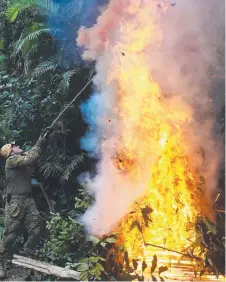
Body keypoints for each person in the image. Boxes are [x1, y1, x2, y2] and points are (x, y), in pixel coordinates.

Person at [0, 133, 49, 279]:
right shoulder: (12, 161)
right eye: (14, 146)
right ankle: (1, 263)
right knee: (10, 235)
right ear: (10, 152)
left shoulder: (20, 158)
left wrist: (43, 139)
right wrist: (40, 142)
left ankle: (28, 259)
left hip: (28, 200)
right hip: (16, 202)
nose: (17, 146)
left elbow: (31, 154)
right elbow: (31, 158)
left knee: (36, 230)